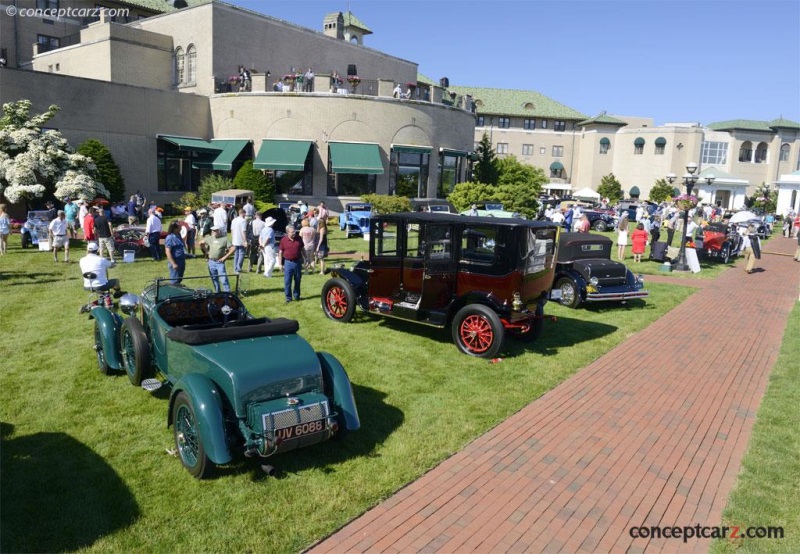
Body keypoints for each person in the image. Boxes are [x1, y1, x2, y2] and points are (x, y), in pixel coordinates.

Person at [200, 224, 235, 292]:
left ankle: (227, 293)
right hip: (211, 262)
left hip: (219, 262)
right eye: (212, 230)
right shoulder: (210, 238)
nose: (213, 232)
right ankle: (217, 292)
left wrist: (224, 257)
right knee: (214, 279)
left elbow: (233, 249)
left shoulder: (224, 239)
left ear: (219, 231)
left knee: (223, 279)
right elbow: (201, 243)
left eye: (215, 230)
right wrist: (206, 251)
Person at [279, 225, 303, 303]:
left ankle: (296, 296)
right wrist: (280, 264)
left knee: (297, 280)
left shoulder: (299, 239)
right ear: (287, 233)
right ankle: (288, 298)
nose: (294, 233)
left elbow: (303, 249)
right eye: (292, 232)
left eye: (294, 231)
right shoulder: (283, 240)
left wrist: (307, 259)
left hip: (297, 262)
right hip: (288, 263)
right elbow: (280, 252)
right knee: (287, 281)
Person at [230, 208, 248, 274]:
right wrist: (245, 241)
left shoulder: (234, 220)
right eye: (245, 214)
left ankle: (235, 268)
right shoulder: (243, 221)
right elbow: (243, 231)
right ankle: (238, 268)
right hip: (240, 239)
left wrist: (233, 237)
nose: (245, 215)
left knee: (236, 254)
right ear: (242, 213)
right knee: (241, 254)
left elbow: (231, 230)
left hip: (235, 239)